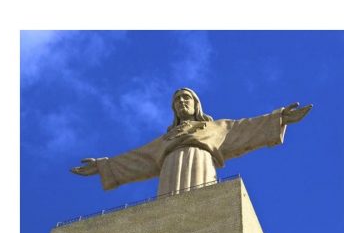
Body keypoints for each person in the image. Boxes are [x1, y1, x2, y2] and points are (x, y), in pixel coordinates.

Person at [72, 88, 312, 195]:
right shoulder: (166, 139)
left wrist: (279, 118)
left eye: (186, 98)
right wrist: (104, 166)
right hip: (170, 171)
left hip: (201, 164)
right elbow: (136, 159)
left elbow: (245, 127)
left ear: (197, 104)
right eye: (176, 100)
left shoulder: (216, 127)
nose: (181, 102)